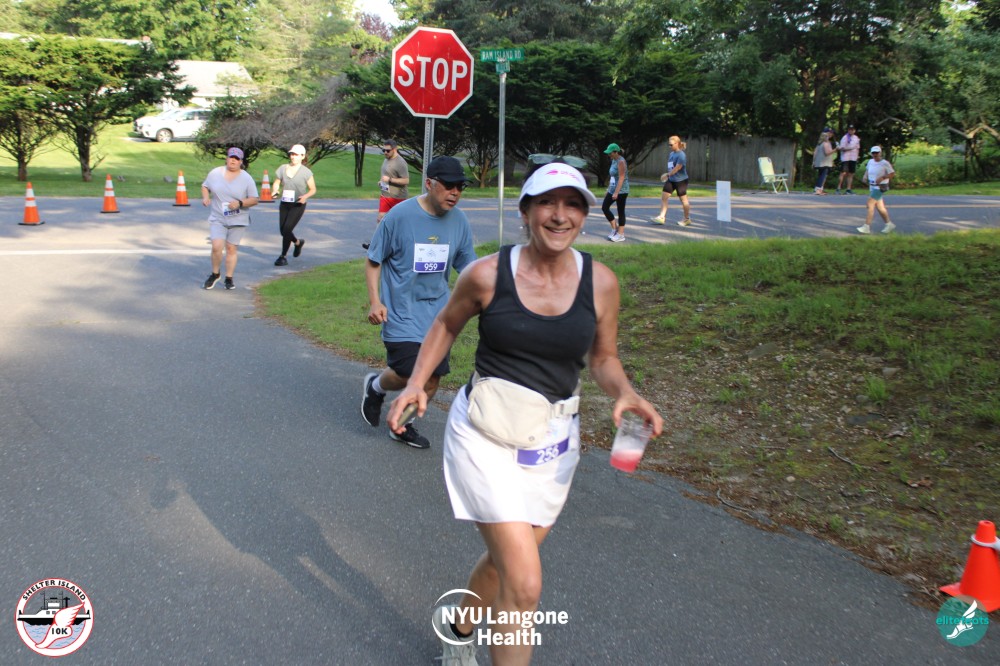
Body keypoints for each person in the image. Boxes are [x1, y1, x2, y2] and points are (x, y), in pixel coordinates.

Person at [386, 162, 663, 665]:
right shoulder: (487, 274)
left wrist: (624, 392)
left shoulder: (600, 283)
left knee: (506, 564)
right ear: (526, 212)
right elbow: (445, 326)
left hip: (552, 443)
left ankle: (457, 631)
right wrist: (416, 382)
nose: (560, 215)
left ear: (584, 214)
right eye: (547, 203)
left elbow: (603, 357)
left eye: (573, 204)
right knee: (526, 582)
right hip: (484, 434)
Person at [360, 156, 477, 449]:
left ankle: (402, 425)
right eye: (448, 185)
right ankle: (376, 386)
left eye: (460, 187)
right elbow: (374, 260)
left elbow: (468, 267)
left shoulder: (459, 221)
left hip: (438, 316)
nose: (455, 192)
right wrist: (375, 301)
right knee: (407, 372)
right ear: (429, 184)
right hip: (400, 311)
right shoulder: (399, 216)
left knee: (433, 379)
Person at [201, 147, 259, 290]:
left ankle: (229, 278)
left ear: (241, 162)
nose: (233, 161)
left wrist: (240, 203)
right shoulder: (215, 173)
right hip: (218, 217)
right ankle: (215, 274)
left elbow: (254, 199)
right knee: (216, 246)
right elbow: (205, 186)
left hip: (238, 218)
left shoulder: (246, 178)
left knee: (231, 248)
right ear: (226, 159)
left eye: (237, 159)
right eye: (231, 157)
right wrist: (206, 197)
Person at [271, 144, 316, 266]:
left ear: (302, 156)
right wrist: (275, 190)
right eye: (291, 154)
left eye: (296, 154)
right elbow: (277, 182)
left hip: (298, 204)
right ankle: (298, 243)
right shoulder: (283, 168)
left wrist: (305, 197)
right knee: (283, 231)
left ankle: (283, 256)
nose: (293, 157)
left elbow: (313, 189)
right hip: (285, 203)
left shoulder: (306, 172)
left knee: (287, 229)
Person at [363, 139, 410, 250]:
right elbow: (385, 175)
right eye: (383, 150)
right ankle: (375, 245)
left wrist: (390, 180)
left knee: (398, 224)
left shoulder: (400, 163)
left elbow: (406, 181)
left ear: (395, 149)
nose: (385, 152)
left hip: (397, 197)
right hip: (385, 195)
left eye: (388, 151)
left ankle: (401, 245)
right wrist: (381, 182)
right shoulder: (386, 159)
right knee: (380, 219)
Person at [652, 135, 692, 226]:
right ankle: (661, 217)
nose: (669, 146)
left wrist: (667, 175)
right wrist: (669, 175)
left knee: (684, 200)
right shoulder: (671, 154)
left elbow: (677, 168)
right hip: (671, 179)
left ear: (677, 143)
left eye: (671, 145)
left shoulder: (681, 155)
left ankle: (687, 219)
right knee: (664, 197)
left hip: (681, 181)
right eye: (669, 145)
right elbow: (671, 167)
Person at [857, 145, 896, 234]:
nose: (875, 154)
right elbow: (867, 170)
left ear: (880, 153)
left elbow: (892, 173)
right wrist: (865, 177)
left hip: (880, 186)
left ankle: (866, 226)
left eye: (877, 153)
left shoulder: (884, 163)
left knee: (870, 204)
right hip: (872, 186)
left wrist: (883, 177)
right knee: (880, 207)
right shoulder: (870, 162)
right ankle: (889, 224)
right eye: (873, 153)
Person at [601, 143, 629, 242]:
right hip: (613, 189)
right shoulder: (614, 160)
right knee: (604, 207)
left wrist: (616, 193)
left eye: (610, 153)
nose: (609, 155)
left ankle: (621, 234)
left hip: (622, 190)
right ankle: (614, 229)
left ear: (616, 152)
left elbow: (621, 178)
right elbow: (613, 177)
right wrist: (609, 189)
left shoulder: (621, 162)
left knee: (620, 211)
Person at [835, 124, 861, 194]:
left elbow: (857, 148)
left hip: (853, 157)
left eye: (852, 130)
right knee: (843, 173)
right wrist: (850, 148)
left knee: (851, 173)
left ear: (854, 130)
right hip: (845, 158)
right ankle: (838, 188)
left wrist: (857, 156)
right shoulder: (845, 138)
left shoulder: (856, 138)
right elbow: (842, 148)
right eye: (850, 129)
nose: (851, 131)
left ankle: (848, 189)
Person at [813, 128, 837, 195]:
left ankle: (819, 188)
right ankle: (818, 189)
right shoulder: (826, 143)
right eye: (829, 133)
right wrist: (835, 150)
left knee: (821, 175)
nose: (830, 134)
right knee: (823, 176)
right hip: (825, 162)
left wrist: (814, 161)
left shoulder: (819, 143)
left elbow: (815, 152)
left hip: (820, 162)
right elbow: (827, 153)